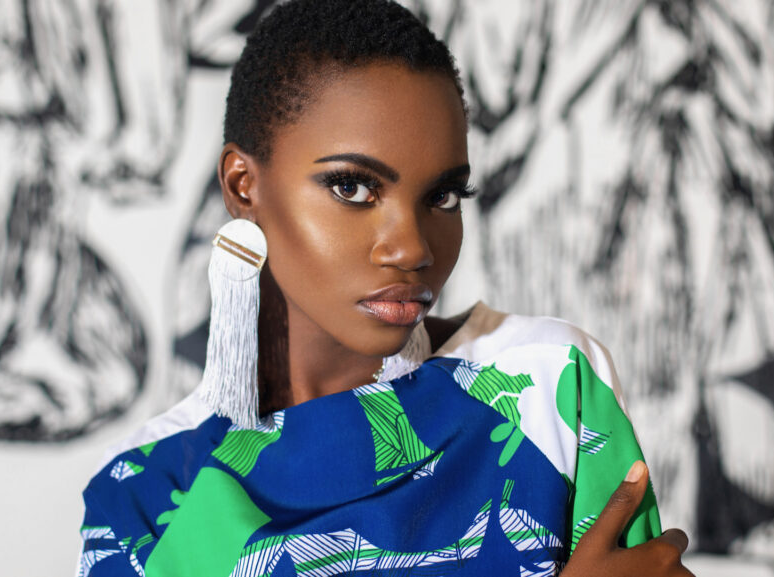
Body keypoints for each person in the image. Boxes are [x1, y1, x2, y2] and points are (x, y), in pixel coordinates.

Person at [76, 1, 693, 575]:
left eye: (443, 197)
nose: (413, 248)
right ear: (244, 186)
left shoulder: (547, 385)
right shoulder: (142, 493)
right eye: (352, 187)